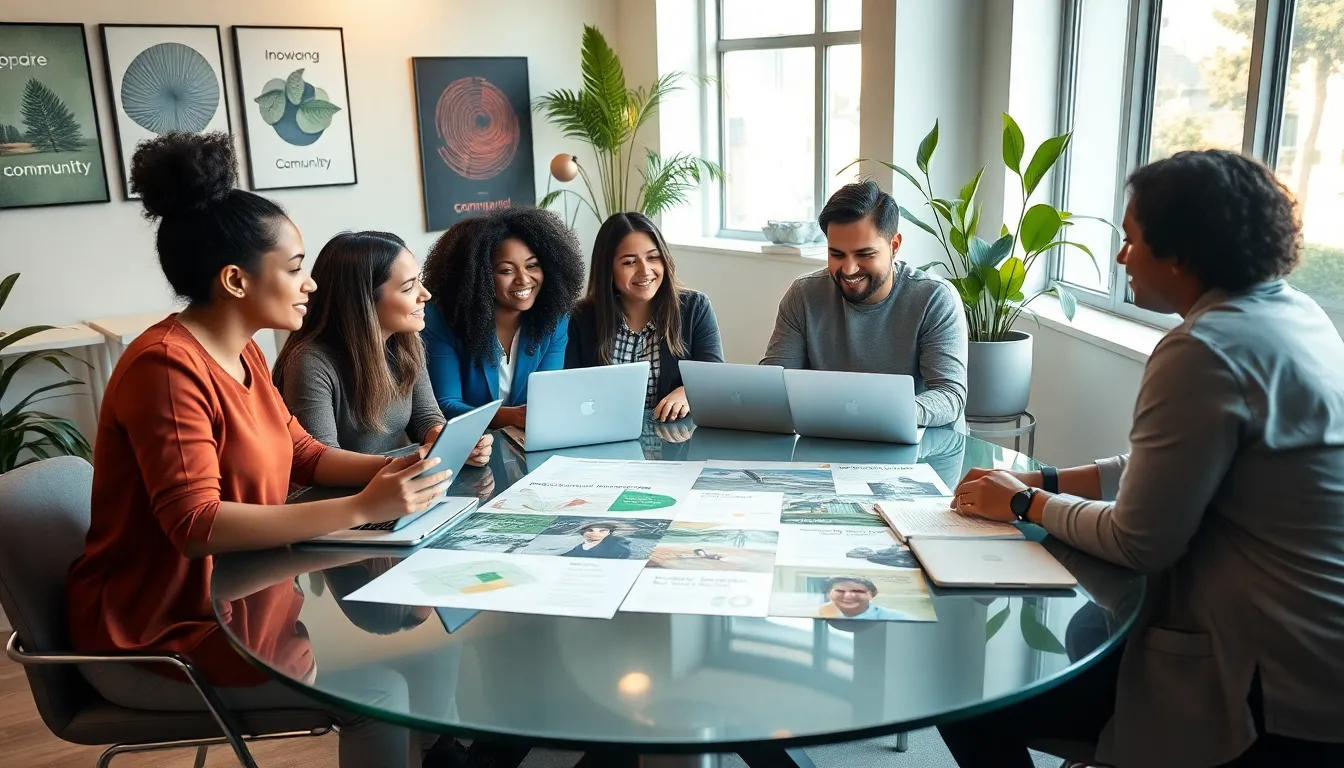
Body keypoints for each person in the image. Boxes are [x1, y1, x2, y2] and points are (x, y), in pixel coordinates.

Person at [64, 132, 458, 768]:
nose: (310, 284)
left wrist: (396, 468)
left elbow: (302, 454)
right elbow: (196, 526)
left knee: (418, 651)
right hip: (166, 633)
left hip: (247, 596)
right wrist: (362, 507)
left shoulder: (243, 348)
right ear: (235, 280)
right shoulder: (166, 368)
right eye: (296, 266)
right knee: (380, 687)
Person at [942, 150, 1344, 768]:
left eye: (1131, 240)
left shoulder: (1203, 349)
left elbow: (1139, 543)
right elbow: (1162, 469)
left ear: (1181, 253)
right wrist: (1041, 477)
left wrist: (1023, 502)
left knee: (966, 695)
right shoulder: (1294, 313)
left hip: (1264, 681)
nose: (1121, 256)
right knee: (1085, 630)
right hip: (1318, 651)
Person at [272, 230, 492, 465]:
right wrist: (402, 464)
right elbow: (320, 459)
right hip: (350, 495)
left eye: (419, 280)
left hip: (399, 479)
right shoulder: (310, 363)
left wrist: (454, 444)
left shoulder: (407, 342)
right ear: (364, 301)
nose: (425, 294)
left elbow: (426, 417)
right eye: (408, 288)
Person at [760, 180, 968, 427]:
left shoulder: (934, 298)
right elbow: (774, 384)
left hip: (918, 448)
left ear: (894, 246)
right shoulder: (803, 295)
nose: (848, 269)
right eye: (836, 254)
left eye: (864, 254)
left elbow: (949, 395)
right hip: (828, 446)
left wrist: (881, 415)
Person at [421, 208, 585, 430]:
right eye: (506, 271)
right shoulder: (440, 318)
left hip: (526, 440)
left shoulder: (554, 317)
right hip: (470, 445)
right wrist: (512, 417)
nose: (524, 279)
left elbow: (547, 397)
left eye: (532, 265)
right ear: (478, 276)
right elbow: (446, 406)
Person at [566, 212, 724, 422]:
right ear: (608, 269)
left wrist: (687, 392)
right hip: (603, 440)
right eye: (629, 262)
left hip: (675, 443)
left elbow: (715, 380)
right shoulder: (580, 318)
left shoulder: (695, 308)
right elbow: (569, 392)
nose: (645, 270)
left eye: (653, 257)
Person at [816, 577, 910, 620]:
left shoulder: (898, 619)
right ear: (829, 593)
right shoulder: (816, 614)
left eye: (857, 591)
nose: (848, 596)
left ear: (872, 594)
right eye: (840, 591)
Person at [561, 522, 632, 559]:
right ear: (583, 532)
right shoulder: (572, 549)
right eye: (590, 530)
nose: (595, 533)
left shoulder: (618, 546)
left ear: (609, 533)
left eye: (602, 530)